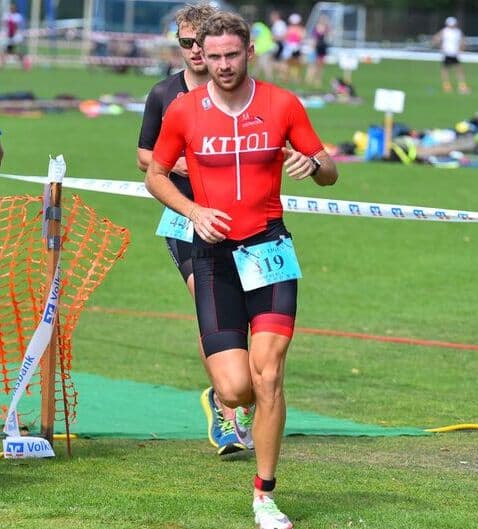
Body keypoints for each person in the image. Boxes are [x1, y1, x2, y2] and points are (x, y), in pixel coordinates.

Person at [145, 11, 338, 529]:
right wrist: (193, 212)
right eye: (215, 56)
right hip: (212, 255)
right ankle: (235, 402)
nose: (224, 65)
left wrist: (314, 163)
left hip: (269, 248)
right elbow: (156, 174)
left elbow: (330, 172)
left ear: (250, 52)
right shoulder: (184, 111)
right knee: (235, 388)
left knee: (269, 373)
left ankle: (264, 494)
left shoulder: (282, 103)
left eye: (233, 54)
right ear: (200, 57)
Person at [137, 3, 248, 457]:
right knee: (211, 308)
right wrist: (181, 162)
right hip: (184, 217)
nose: (195, 51)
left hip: (240, 219)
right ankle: (226, 408)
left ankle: (231, 390)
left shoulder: (239, 95)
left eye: (200, 42)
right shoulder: (165, 95)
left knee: (240, 311)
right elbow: (145, 156)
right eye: (186, 43)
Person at [432, 16, 470, 94]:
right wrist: (439, 46)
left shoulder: (458, 32)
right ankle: (447, 85)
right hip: (447, 53)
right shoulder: (444, 31)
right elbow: (436, 39)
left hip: (455, 53)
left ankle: (461, 86)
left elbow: (463, 41)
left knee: (459, 70)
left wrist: (462, 48)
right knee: (446, 70)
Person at [1, 3, 26, 68]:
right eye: (11, 8)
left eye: (13, 8)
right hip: (7, 36)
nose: (12, 9)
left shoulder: (18, 16)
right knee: (5, 51)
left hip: (15, 36)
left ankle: (23, 63)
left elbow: (18, 27)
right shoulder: (6, 15)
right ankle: (2, 65)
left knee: (18, 51)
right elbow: (4, 25)